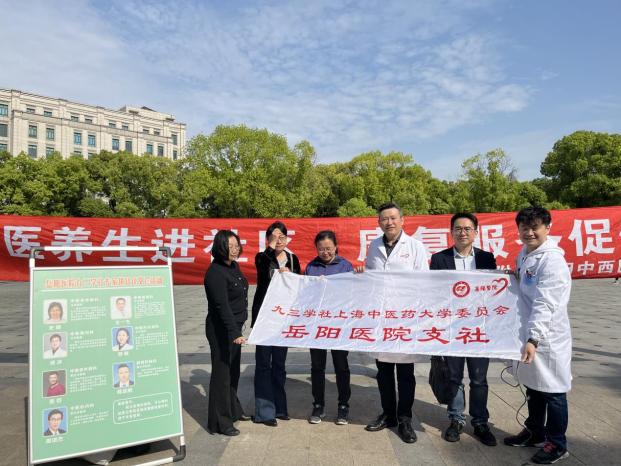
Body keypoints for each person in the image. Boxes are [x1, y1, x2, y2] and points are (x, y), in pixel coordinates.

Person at [504, 206, 572, 464]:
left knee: (553, 390)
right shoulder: (525, 254)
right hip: (530, 333)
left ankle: (557, 444)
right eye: (524, 228)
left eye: (535, 228)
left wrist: (533, 338)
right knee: (534, 386)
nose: (529, 233)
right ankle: (535, 431)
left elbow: (547, 304)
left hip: (548, 337)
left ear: (547, 227)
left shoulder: (551, 261)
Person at [357, 202, 428, 444]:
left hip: (406, 318)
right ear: (379, 223)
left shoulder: (415, 246)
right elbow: (371, 278)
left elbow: (424, 282)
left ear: (402, 220)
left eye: (393, 218)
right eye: (384, 219)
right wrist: (362, 276)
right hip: (381, 317)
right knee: (384, 371)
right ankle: (388, 414)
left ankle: (405, 419)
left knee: (406, 372)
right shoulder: (374, 246)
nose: (389, 222)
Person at [430, 212, 498, 446]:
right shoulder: (439, 259)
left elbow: (494, 291)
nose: (463, 233)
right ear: (451, 232)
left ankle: (480, 422)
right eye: (458, 229)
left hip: (479, 328)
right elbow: (434, 293)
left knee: (479, 379)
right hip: (452, 327)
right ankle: (456, 419)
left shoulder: (487, 258)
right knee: (454, 376)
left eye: (467, 229)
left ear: (476, 233)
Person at [252, 221, 301, 427]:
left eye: (282, 237)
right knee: (264, 364)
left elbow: (299, 284)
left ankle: (280, 408)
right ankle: (265, 412)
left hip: (283, 319)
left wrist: (291, 276)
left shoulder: (293, 259)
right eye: (274, 237)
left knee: (279, 365)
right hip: (265, 318)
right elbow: (263, 269)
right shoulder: (261, 257)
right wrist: (270, 247)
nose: (279, 240)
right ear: (267, 239)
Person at [204, 230, 250, 436]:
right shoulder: (215, 272)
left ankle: (233, 410)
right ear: (220, 247)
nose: (235, 249)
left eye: (236, 245)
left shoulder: (234, 267)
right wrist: (234, 332)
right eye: (230, 246)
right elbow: (221, 306)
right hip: (221, 330)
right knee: (221, 376)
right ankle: (220, 422)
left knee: (233, 372)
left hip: (234, 328)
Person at [305, 230, 354, 425]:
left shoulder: (346, 266)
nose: (325, 252)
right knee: (317, 366)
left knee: (341, 366)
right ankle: (318, 405)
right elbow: (305, 294)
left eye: (328, 248)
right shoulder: (311, 267)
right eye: (321, 249)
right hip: (317, 325)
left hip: (339, 325)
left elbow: (353, 293)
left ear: (336, 247)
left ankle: (343, 406)